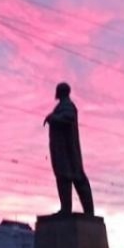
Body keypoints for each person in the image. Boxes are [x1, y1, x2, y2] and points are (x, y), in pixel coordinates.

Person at [43, 82, 94, 215]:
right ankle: (67, 208)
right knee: (64, 178)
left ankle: (87, 211)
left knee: (76, 178)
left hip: (68, 152)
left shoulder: (67, 105)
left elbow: (68, 117)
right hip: (61, 151)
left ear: (60, 92)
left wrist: (53, 118)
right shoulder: (62, 106)